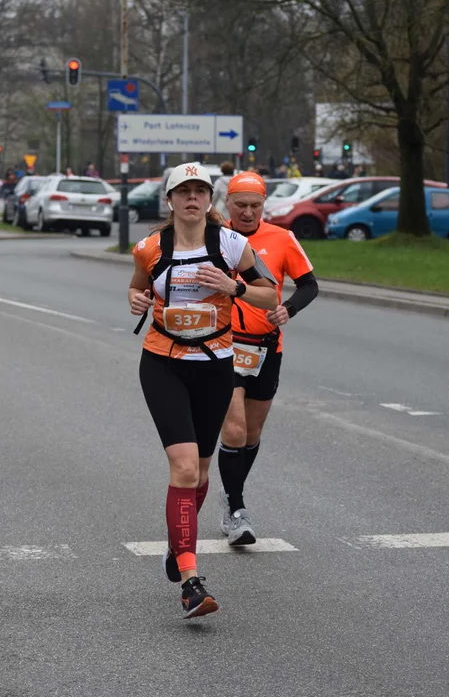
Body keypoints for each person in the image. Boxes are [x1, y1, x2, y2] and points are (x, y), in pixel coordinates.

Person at [128, 162, 279, 618]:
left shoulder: (232, 245)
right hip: (163, 365)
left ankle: (178, 543)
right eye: (183, 191)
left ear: (209, 201)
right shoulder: (149, 248)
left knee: (200, 473)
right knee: (184, 466)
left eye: (200, 191)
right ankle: (191, 582)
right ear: (170, 200)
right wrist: (136, 299)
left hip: (215, 367)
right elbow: (138, 292)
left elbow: (270, 295)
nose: (192, 199)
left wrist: (234, 286)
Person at [216, 171, 319, 545]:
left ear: (264, 206)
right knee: (235, 429)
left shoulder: (281, 238)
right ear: (227, 203)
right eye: (240, 205)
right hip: (223, 346)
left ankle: (231, 498)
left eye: (254, 206)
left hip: (265, 348)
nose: (247, 212)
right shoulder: (216, 239)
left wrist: (288, 309)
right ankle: (237, 509)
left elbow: (309, 284)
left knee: (253, 434)